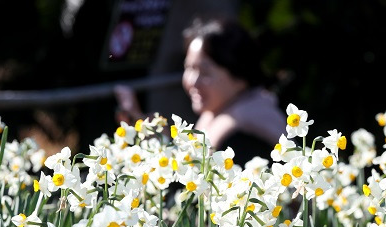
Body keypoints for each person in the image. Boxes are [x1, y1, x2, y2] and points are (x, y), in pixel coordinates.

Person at [114, 15, 287, 167]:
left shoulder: (242, 134)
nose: (192, 81)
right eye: (188, 68)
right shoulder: (222, 113)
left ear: (239, 76)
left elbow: (197, 194)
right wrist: (154, 136)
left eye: (204, 72)